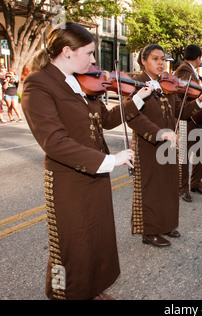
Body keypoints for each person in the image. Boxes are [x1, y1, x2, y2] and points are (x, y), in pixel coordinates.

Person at [21, 21, 138, 300]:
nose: (94, 60)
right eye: (89, 52)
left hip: (94, 172)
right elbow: (54, 142)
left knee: (95, 238)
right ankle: (63, 293)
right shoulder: (39, 84)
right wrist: (110, 160)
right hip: (68, 180)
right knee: (69, 244)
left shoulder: (82, 82)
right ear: (67, 52)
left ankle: (89, 289)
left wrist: (139, 100)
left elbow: (106, 120)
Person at [126, 44, 202, 247]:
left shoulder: (169, 84)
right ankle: (149, 232)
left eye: (162, 59)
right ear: (143, 61)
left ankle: (165, 224)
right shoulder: (136, 83)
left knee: (167, 186)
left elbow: (181, 113)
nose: (160, 63)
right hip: (146, 142)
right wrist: (159, 133)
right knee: (150, 188)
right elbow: (131, 116)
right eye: (155, 59)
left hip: (168, 143)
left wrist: (200, 100)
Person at [174, 45, 202, 203]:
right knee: (184, 155)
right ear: (198, 58)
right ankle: (183, 188)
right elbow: (186, 91)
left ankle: (196, 183)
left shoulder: (191, 71)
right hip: (185, 117)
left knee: (199, 151)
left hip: (195, 117)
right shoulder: (184, 70)